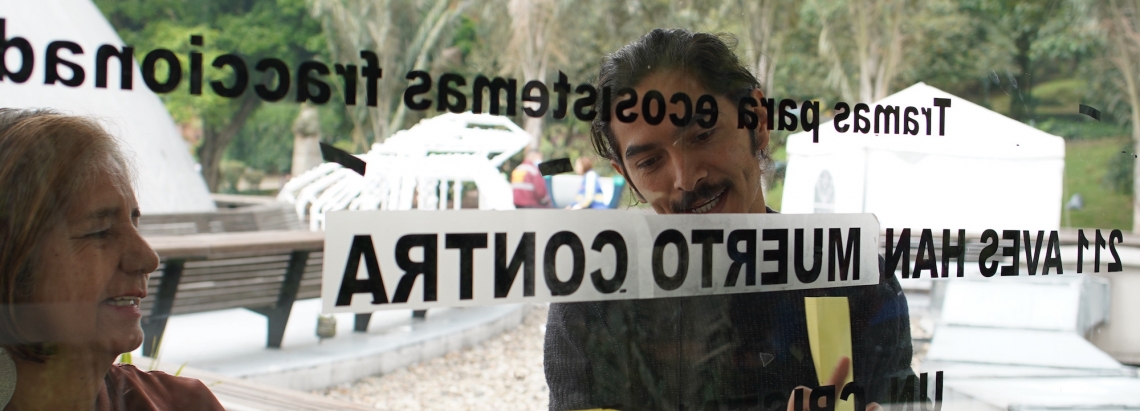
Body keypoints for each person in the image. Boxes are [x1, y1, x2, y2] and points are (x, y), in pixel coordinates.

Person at [543, 29, 915, 410]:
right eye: (650, 162)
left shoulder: (851, 273)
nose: (686, 178)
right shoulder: (594, 297)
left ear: (757, 121)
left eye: (702, 135)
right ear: (628, 179)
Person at [0, 108, 225, 410]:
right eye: (99, 231)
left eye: (134, 221)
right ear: (9, 260)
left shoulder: (183, 403)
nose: (148, 259)